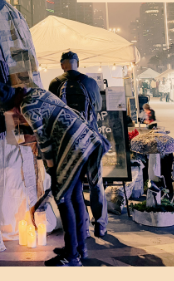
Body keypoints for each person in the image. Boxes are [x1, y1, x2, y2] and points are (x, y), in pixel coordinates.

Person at [7, 86, 102, 265]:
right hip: (84, 140)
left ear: (13, 104)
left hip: (73, 148)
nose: (13, 114)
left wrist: (51, 168)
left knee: (63, 198)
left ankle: (72, 257)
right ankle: (78, 248)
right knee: (75, 197)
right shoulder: (34, 91)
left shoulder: (27, 108)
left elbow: (43, 141)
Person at [47, 51, 110, 240]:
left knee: (75, 187)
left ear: (62, 65)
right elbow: (98, 107)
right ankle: (100, 225)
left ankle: (83, 229)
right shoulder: (90, 82)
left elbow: (51, 113)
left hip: (67, 143)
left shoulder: (55, 83)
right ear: (77, 63)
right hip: (91, 140)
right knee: (95, 183)